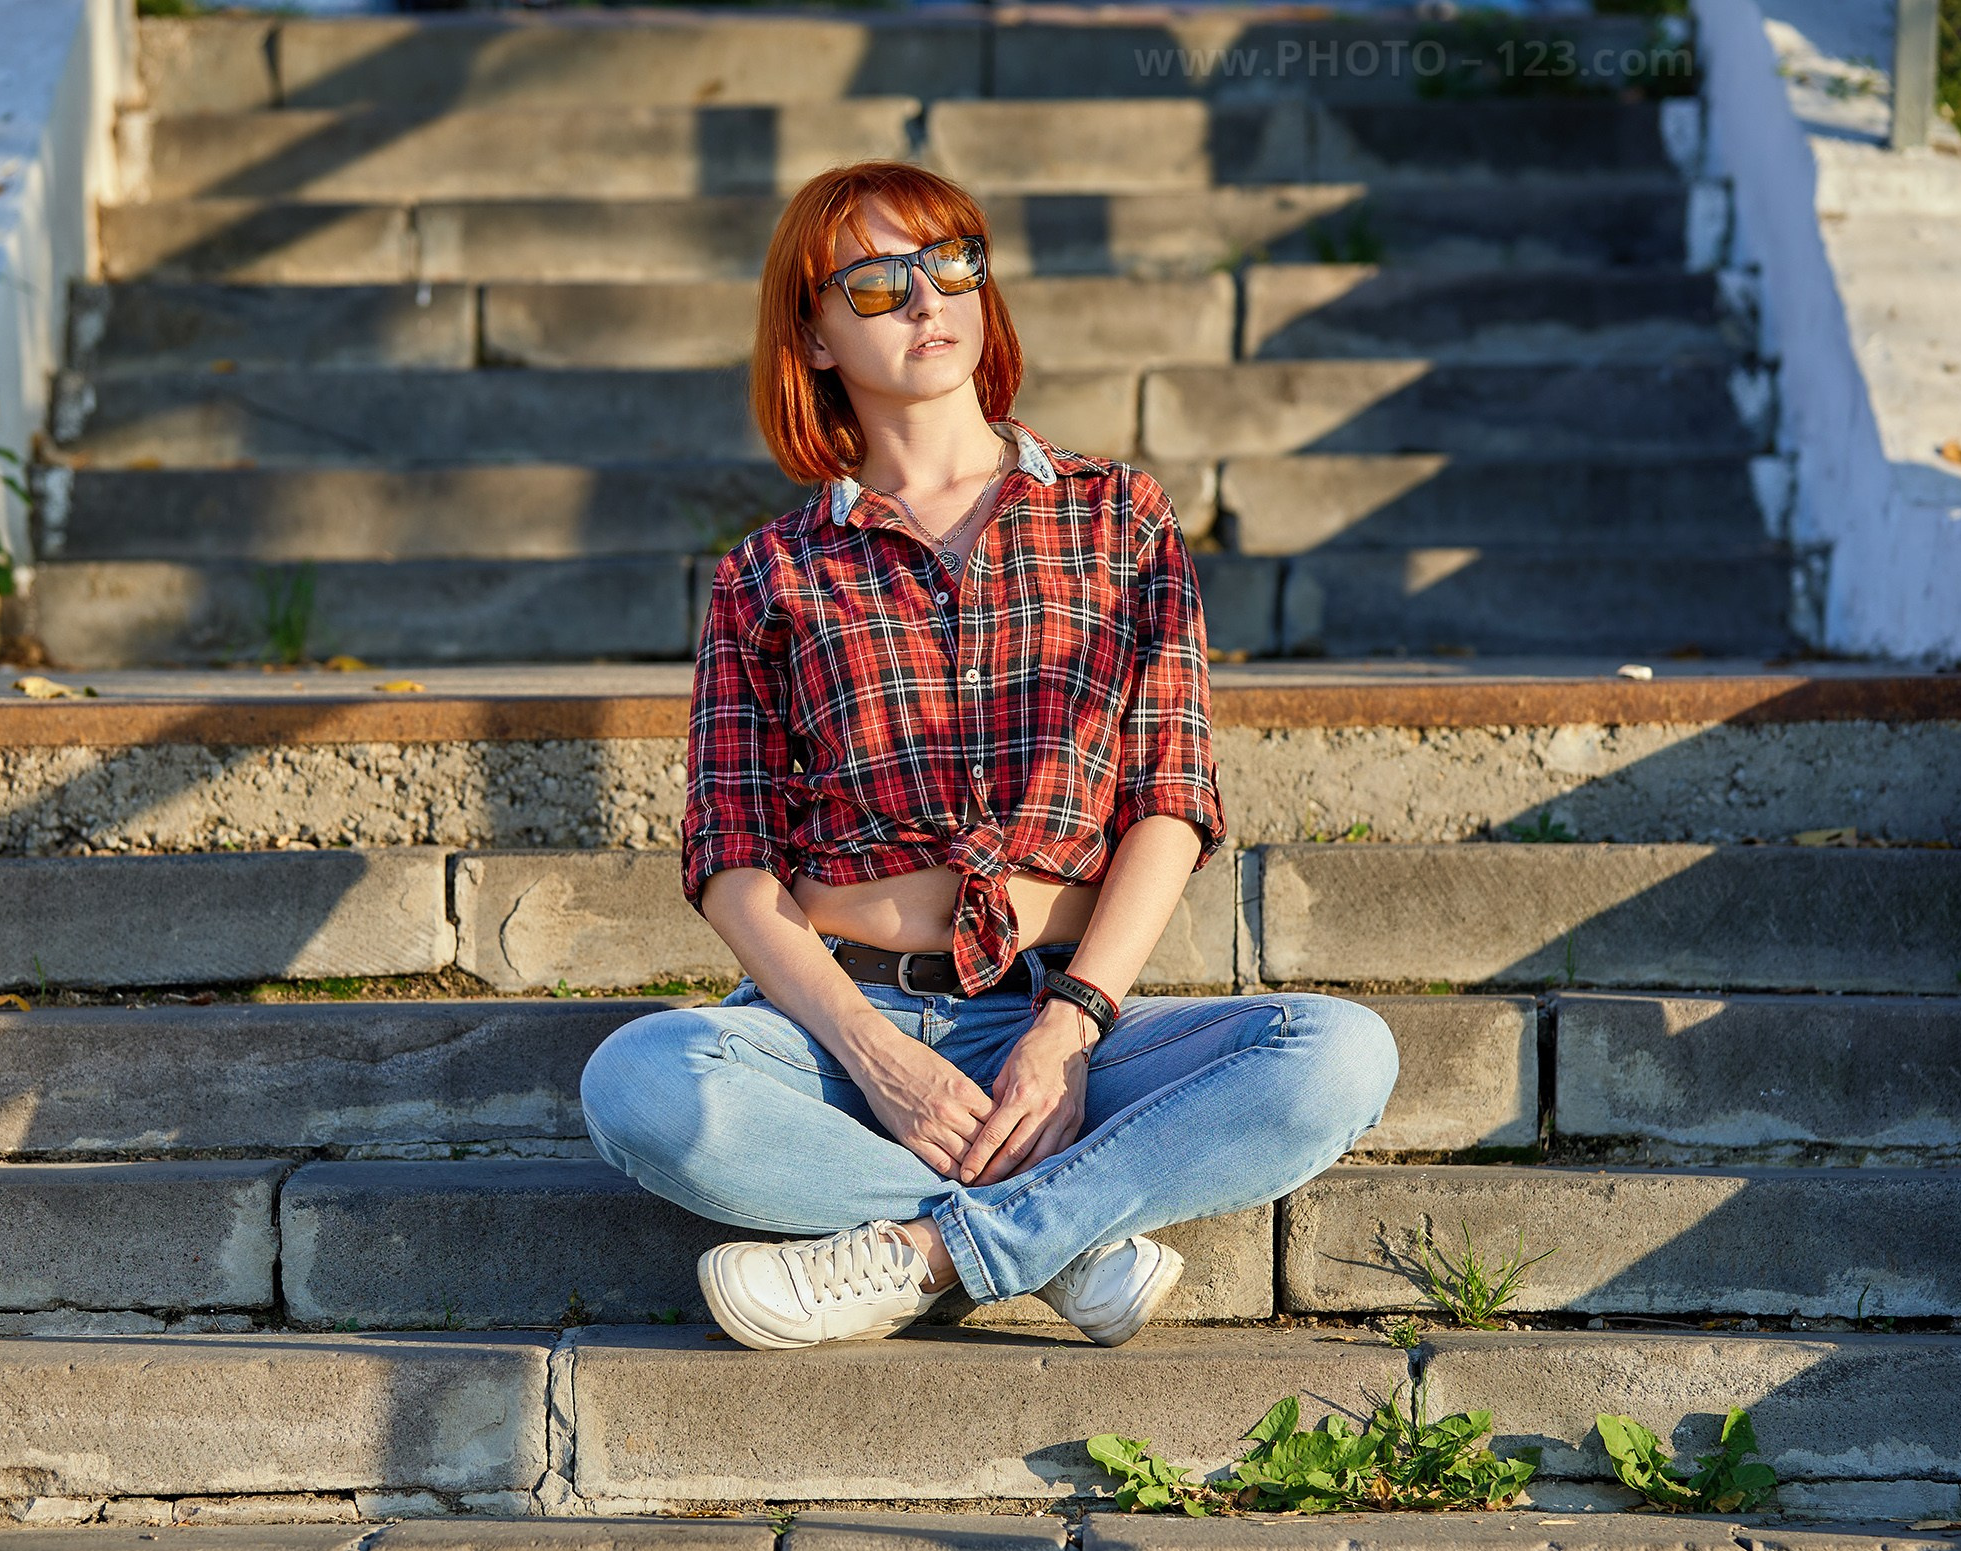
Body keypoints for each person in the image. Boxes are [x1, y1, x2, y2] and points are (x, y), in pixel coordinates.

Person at [580, 160, 1399, 1352]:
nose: (927, 300)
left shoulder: (1121, 516)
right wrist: (878, 1060)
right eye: (876, 282)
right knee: (639, 1082)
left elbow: (1170, 803)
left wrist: (1067, 1031)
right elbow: (732, 861)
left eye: (951, 262)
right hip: (837, 1031)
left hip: (1064, 1016)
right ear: (809, 332)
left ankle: (927, 1251)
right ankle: (1062, 1238)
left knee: (1337, 1054)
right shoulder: (771, 573)